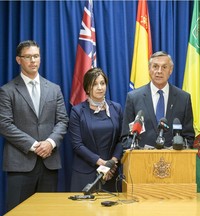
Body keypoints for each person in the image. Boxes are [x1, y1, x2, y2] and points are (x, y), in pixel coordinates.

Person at [0, 40, 69, 212]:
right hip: (20, 164)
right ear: (18, 60)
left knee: (47, 212)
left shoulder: (54, 89)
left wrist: (50, 143)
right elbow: (4, 124)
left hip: (49, 162)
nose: (33, 61)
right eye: (28, 57)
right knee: (19, 212)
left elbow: (62, 121)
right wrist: (34, 145)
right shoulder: (7, 90)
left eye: (36, 56)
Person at [121, 51, 195, 149]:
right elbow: (126, 137)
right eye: (155, 66)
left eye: (164, 67)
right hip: (142, 161)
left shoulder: (183, 98)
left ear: (171, 70)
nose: (159, 71)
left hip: (174, 161)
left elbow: (188, 137)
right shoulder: (134, 98)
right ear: (149, 69)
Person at [69, 68, 123, 193]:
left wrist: (112, 163)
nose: (100, 87)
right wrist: (101, 163)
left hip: (111, 173)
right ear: (87, 88)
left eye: (102, 83)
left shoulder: (116, 108)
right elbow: (77, 145)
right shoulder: (77, 111)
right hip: (85, 173)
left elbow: (122, 139)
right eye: (95, 84)